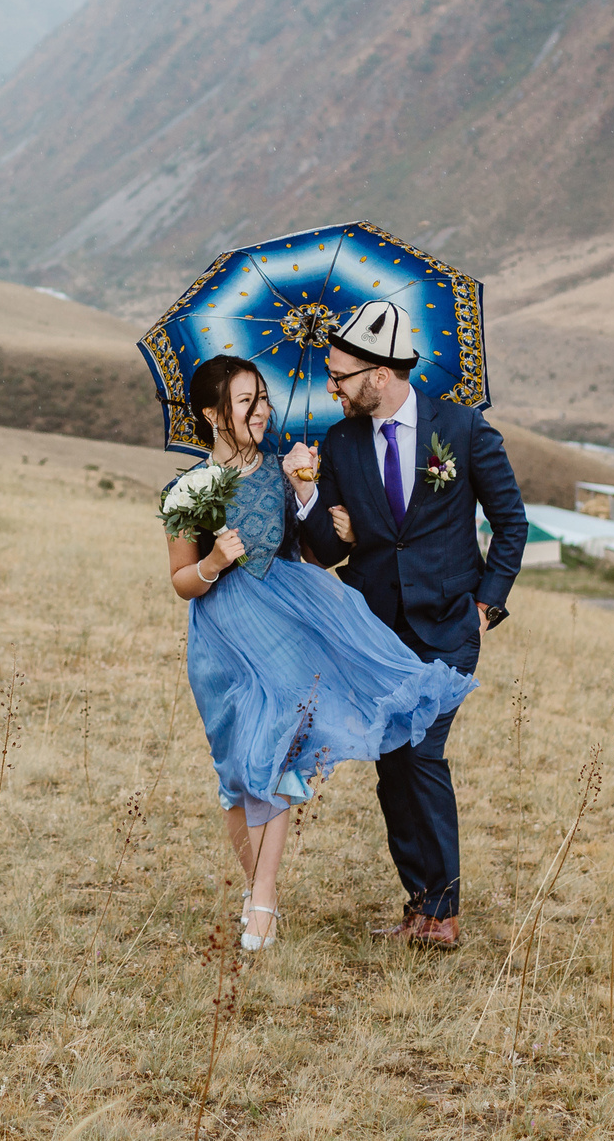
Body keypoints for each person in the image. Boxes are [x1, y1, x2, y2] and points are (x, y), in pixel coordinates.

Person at [166, 353, 475, 951]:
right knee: (236, 769)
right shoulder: (189, 490)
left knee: (274, 752)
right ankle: (258, 890)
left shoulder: (285, 471)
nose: (260, 411)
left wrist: (326, 512)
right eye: (244, 402)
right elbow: (181, 578)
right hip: (223, 636)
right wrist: (212, 562)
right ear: (210, 414)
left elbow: (310, 553)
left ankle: (263, 899)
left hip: (288, 623)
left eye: (262, 397)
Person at [290, 297, 527, 948]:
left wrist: (487, 606)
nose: (331, 386)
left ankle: (444, 911)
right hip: (372, 634)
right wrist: (308, 490)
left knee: (421, 750)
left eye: (340, 376)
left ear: (381, 372)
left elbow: (512, 524)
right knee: (391, 763)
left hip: (449, 626)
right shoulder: (337, 443)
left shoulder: (462, 429)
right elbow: (331, 550)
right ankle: (419, 905)